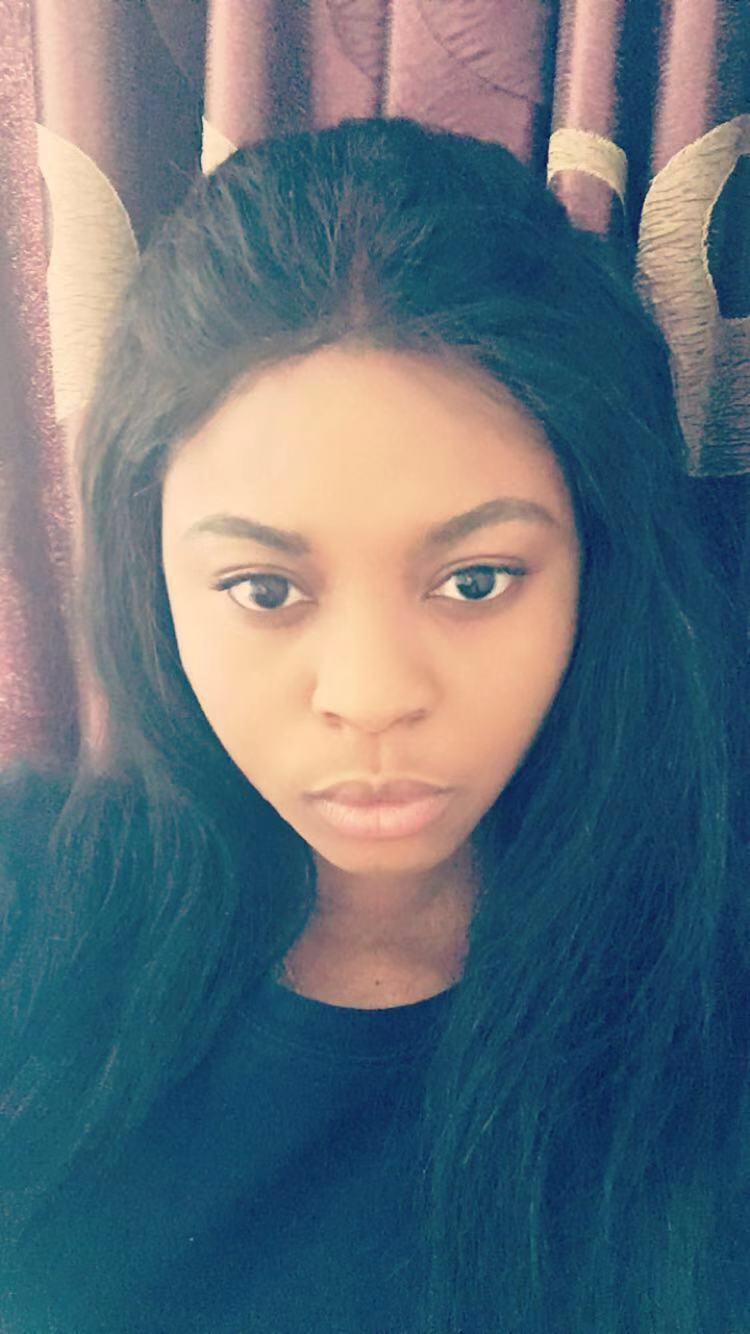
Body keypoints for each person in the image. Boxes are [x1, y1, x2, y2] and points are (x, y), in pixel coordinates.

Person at [0, 115, 747, 1332]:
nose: (371, 694)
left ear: (597, 568)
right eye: (264, 589)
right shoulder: (24, 908)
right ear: (153, 580)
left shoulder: (712, 985)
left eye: (475, 580)